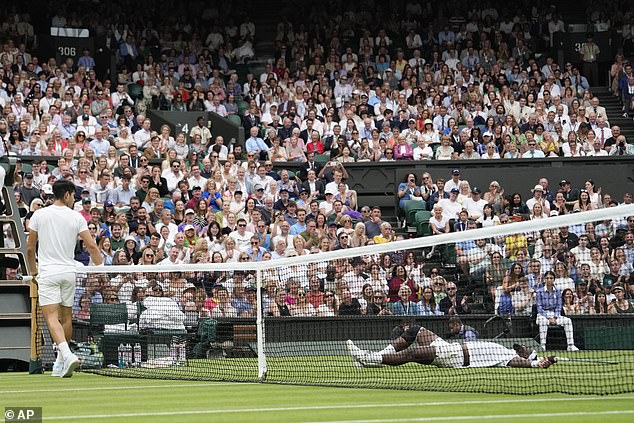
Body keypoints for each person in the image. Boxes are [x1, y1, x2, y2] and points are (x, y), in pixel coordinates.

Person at [26, 180, 103, 378]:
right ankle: (61, 362)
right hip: (69, 274)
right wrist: (100, 267)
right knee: (66, 317)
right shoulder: (76, 217)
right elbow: (92, 247)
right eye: (74, 195)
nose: (75, 199)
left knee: (52, 318)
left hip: (48, 273)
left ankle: (67, 355)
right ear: (67, 194)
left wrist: (33, 271)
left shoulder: (39, 215)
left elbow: (29, 247)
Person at [347, 323, 556, 369]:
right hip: (451, 346)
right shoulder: (506, 348)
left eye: (527, 351)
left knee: (412, 354)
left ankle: (368, 358)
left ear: (527, 356)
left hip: (454, 357)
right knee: (414, 330)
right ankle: (372, 360)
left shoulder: (508, 358)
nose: (522, 348)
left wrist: (537, 364)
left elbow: (525, 363)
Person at [536, 271, 579, 352]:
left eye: (551, 278)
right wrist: (548, 318)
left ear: (554, 280)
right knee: (543, 322)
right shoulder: (539, 291)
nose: (549, 280)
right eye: (547, 278)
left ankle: (570, 345)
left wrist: (555, 317)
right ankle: (542, 346)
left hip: (555, 315)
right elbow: (539, 307)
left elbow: (559, 306)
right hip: (542, 315)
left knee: (568, 321)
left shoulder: (558, 291)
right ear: (544, 280)